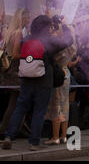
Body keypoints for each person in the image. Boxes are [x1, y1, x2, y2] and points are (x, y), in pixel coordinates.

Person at [2, 15, 73, 151]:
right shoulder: (49, 41)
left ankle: (8, 137)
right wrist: (63, 25)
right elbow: (68, 41)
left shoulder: (26, 39)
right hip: (43, 80)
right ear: (47, 27)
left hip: (26, 78)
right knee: (39, 111)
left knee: (20, 108)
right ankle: (34, 142)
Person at [44, 17, 77, 145]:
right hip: (66, 74)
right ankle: (64, 136)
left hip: (57, 75)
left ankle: (55, 137)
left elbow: (53, 58)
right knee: (65, 105)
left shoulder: (60, 47)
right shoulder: (71, 47)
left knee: (56, 106)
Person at [0, 8, 30, 139]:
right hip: (16, 70)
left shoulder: (10, 32)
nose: (29, 20)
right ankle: (8, 130)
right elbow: (16, 54)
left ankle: (10, 129)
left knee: (15, 102)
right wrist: (29, 55)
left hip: (10, 70)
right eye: (28, 17)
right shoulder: (18, 33)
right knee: (17, 103)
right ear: (22, 18)